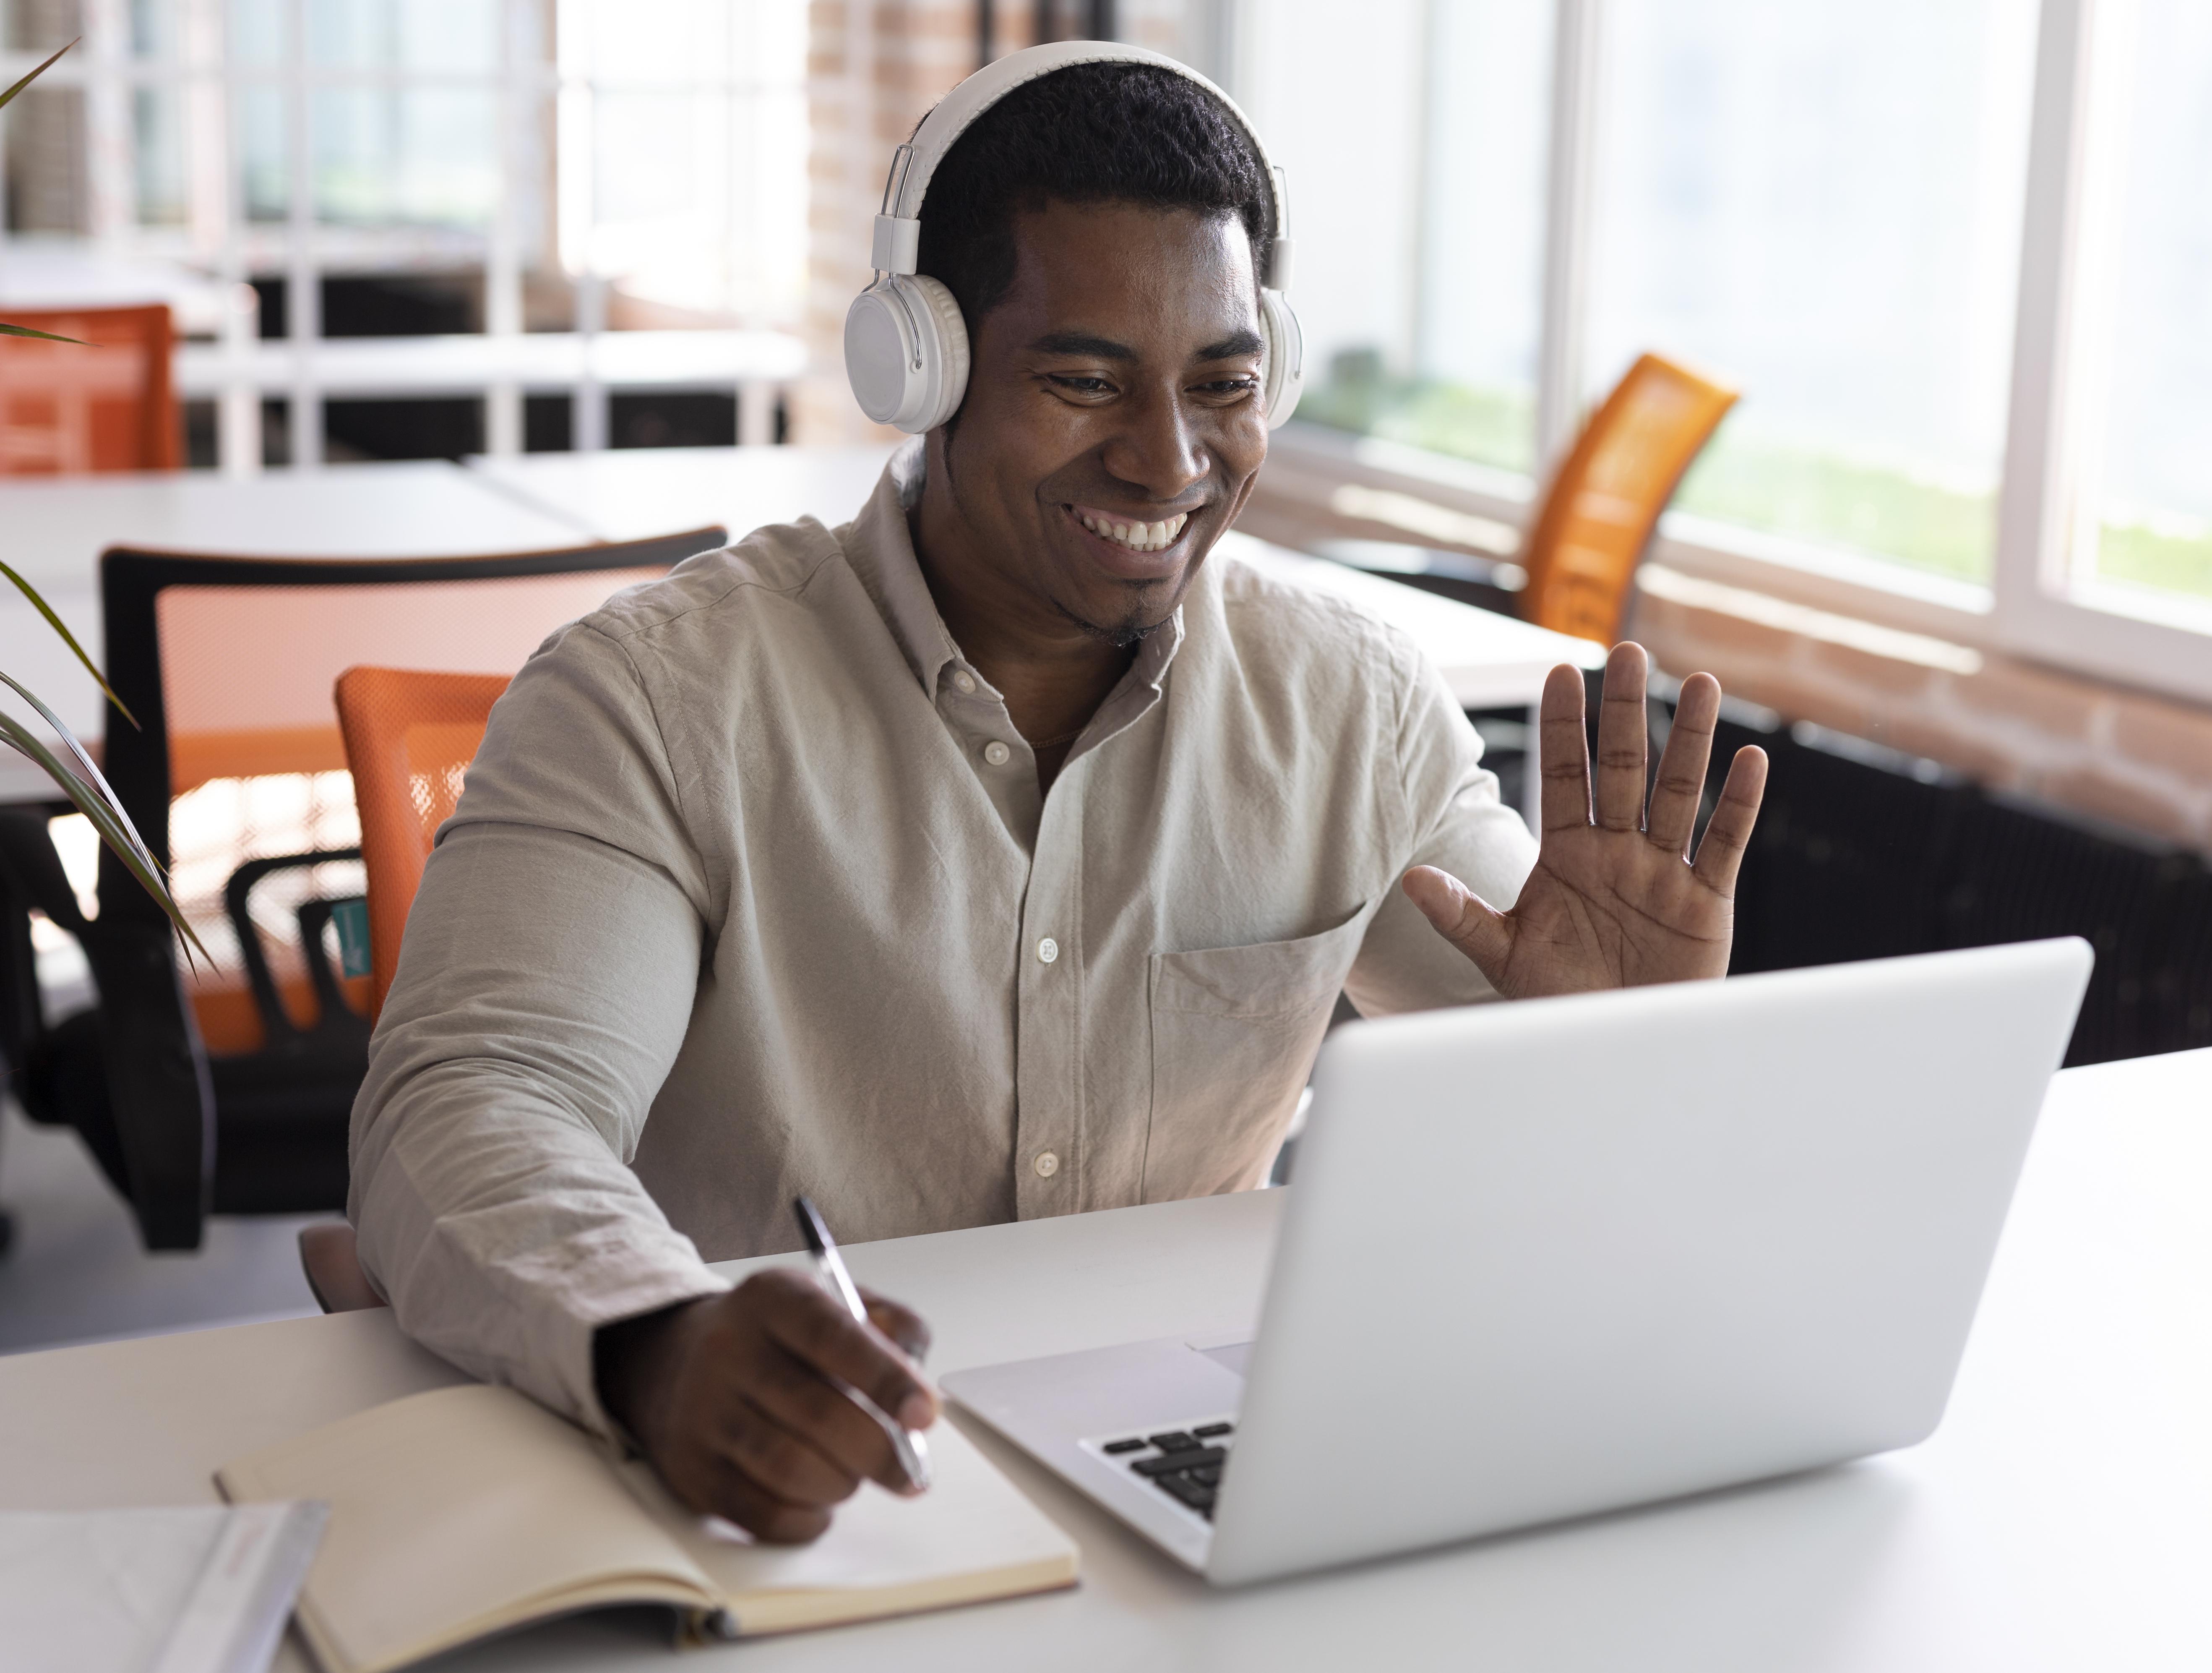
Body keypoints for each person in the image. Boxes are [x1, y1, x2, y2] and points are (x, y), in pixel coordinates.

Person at [347, 47, 1768, 1546]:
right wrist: (652, 1338)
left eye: (1222, 384)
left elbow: (1555, 1136)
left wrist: (1619, 1050)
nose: (1168, 457)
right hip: (771, 1487)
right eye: (1085, 380)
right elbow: (479, 1099)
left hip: (1190, 1477)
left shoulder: (1350, 707)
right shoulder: (655, 699)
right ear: (924, 367)